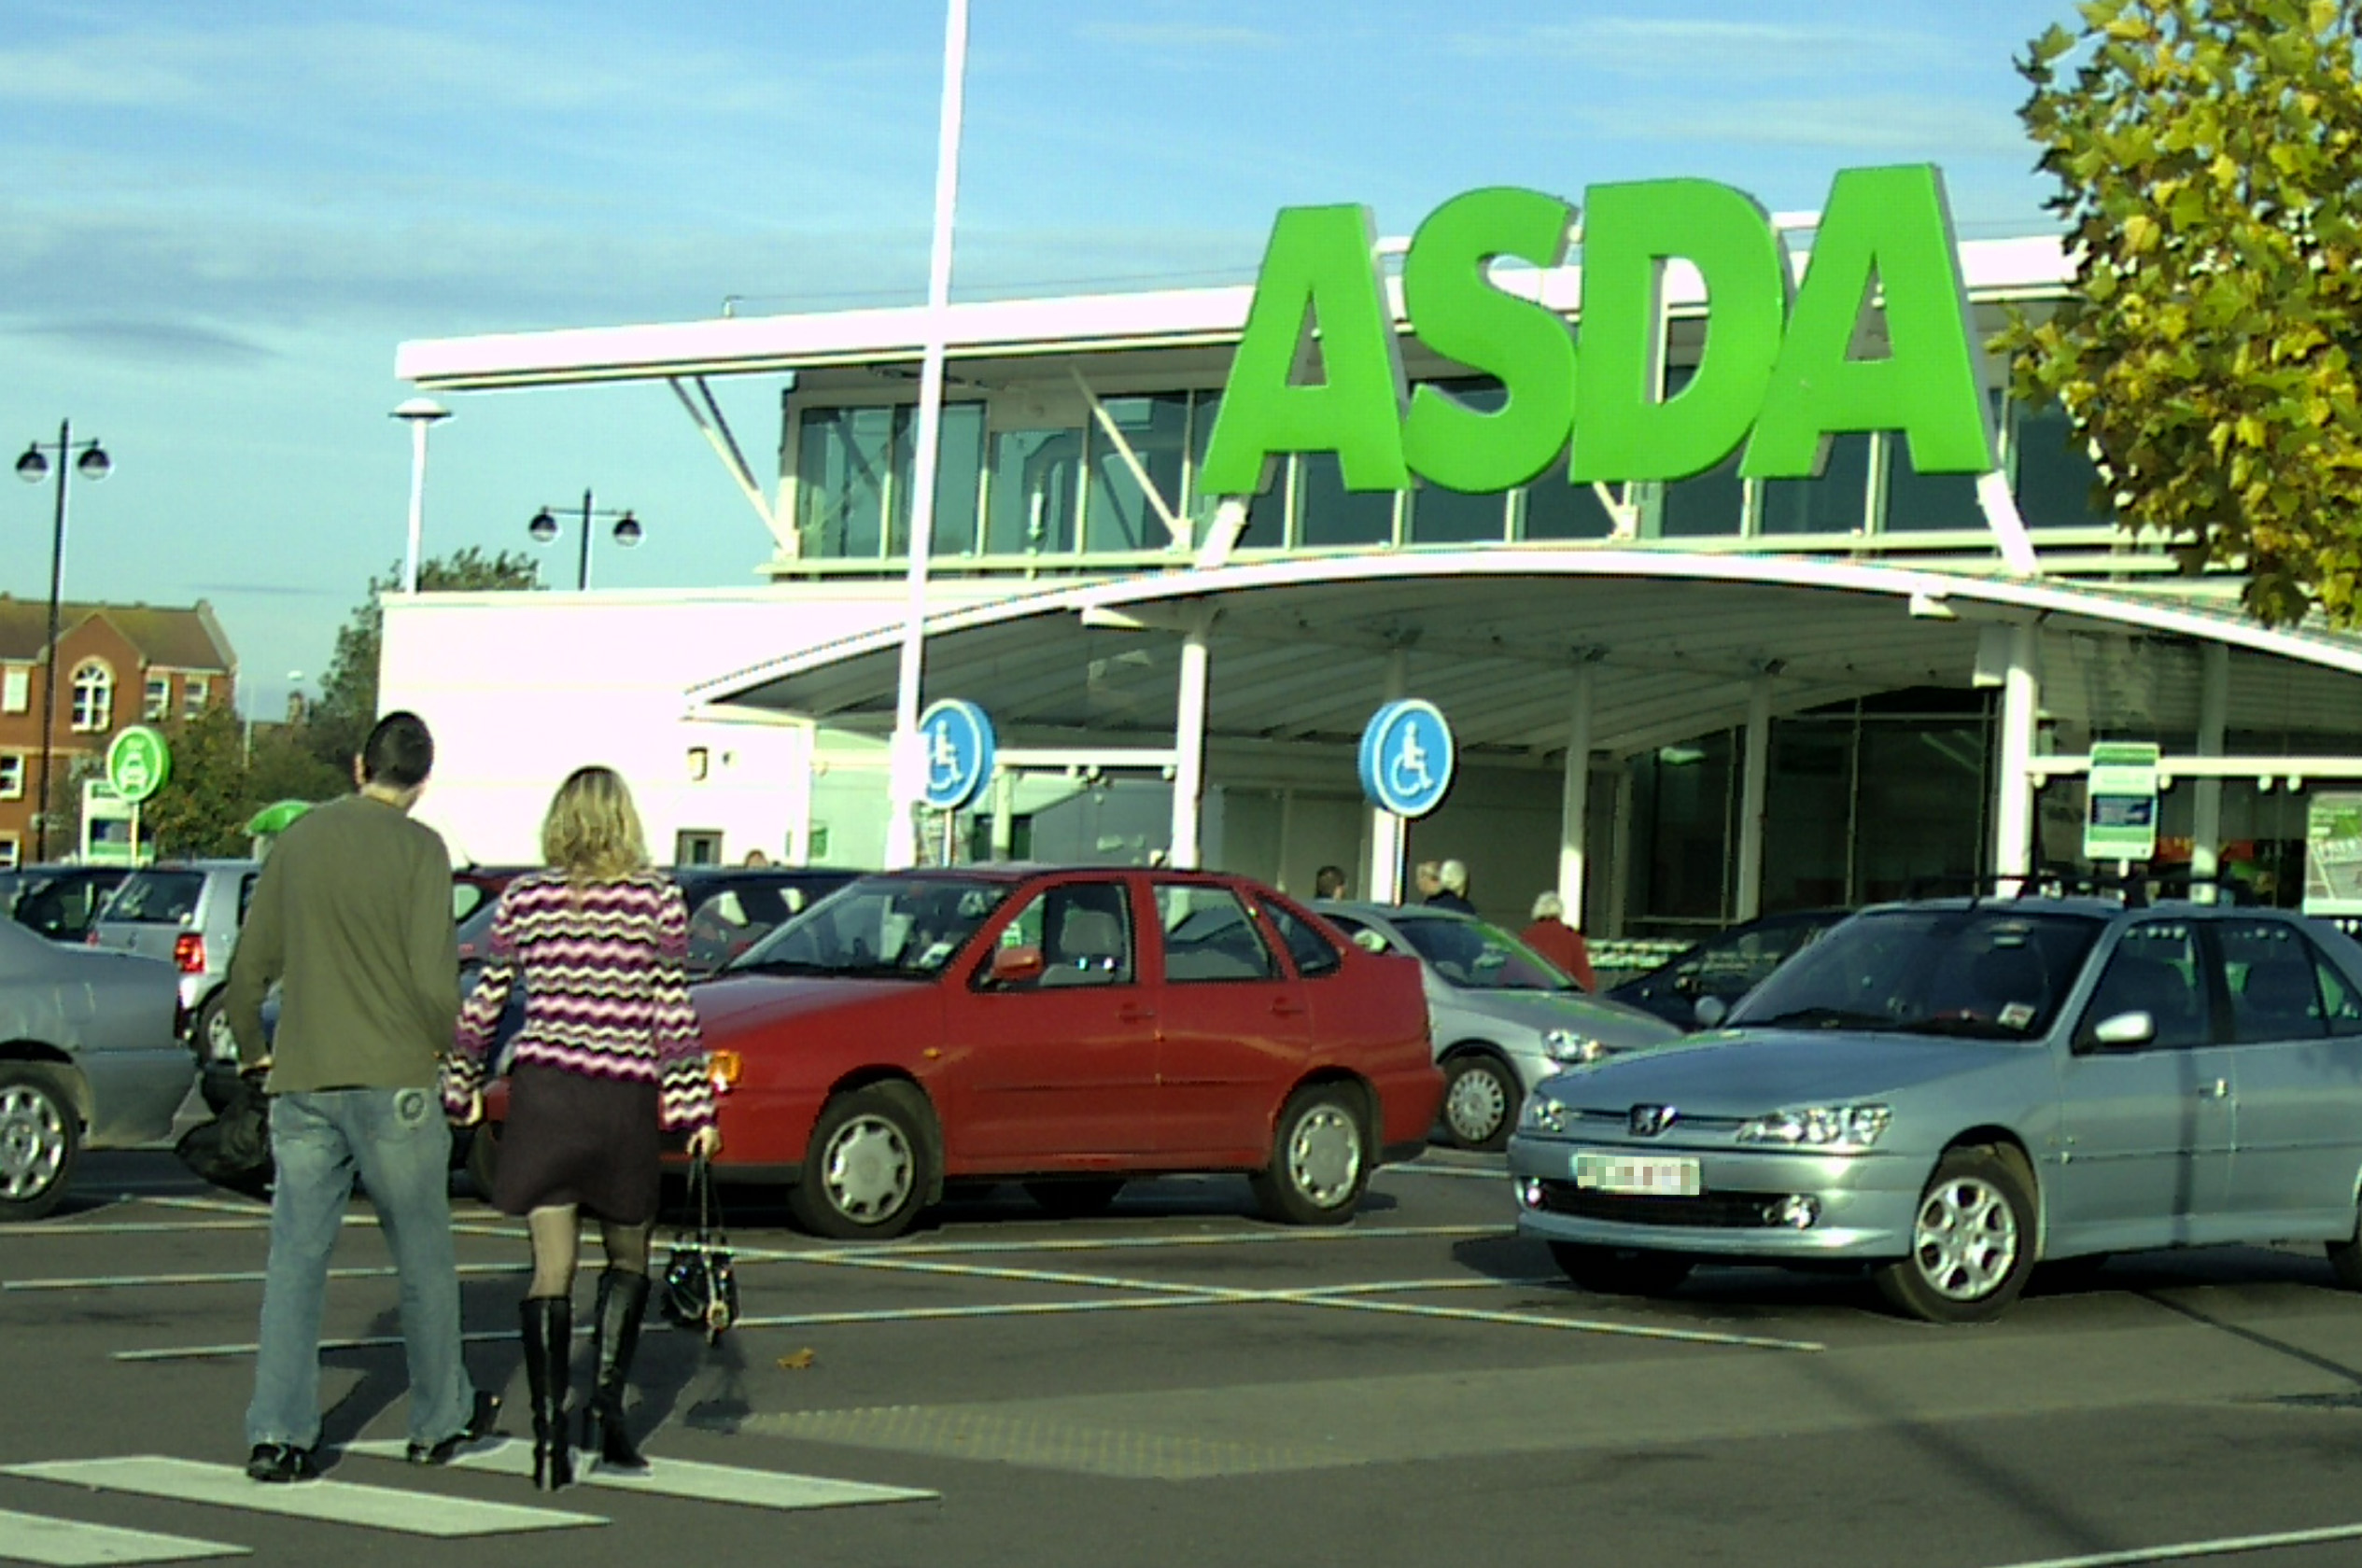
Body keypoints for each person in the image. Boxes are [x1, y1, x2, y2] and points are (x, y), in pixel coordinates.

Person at [224, 711, 495, 1485]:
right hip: (396, 1081)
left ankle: (279, 1434)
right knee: (422, 1259)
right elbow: (431, 983)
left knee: (296, 1264)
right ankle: (438, 1419)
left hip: (304, 1076)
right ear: (422, 781)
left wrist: (253, 1045)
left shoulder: (301, 840)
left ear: (357, 765)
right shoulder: (422, 851)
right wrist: (458, 1058)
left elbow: (251, 965)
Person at [443, 766, 722, 1491]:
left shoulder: (524, 901)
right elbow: (673, 1013)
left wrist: (461, 1083)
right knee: (628, 1255)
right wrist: (694, 1109)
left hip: (546, 1097)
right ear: (625, 820)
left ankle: (545, 1440)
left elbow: (485, 1004)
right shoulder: (658, 901)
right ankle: (605, 1409)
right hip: (620, 1099)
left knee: (550, 1269)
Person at [1522, 889, 1596, 990]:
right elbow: (1584, 977)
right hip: (1562, 994)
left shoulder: (1527, 937)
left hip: (1534, 994)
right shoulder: (1572, 937)